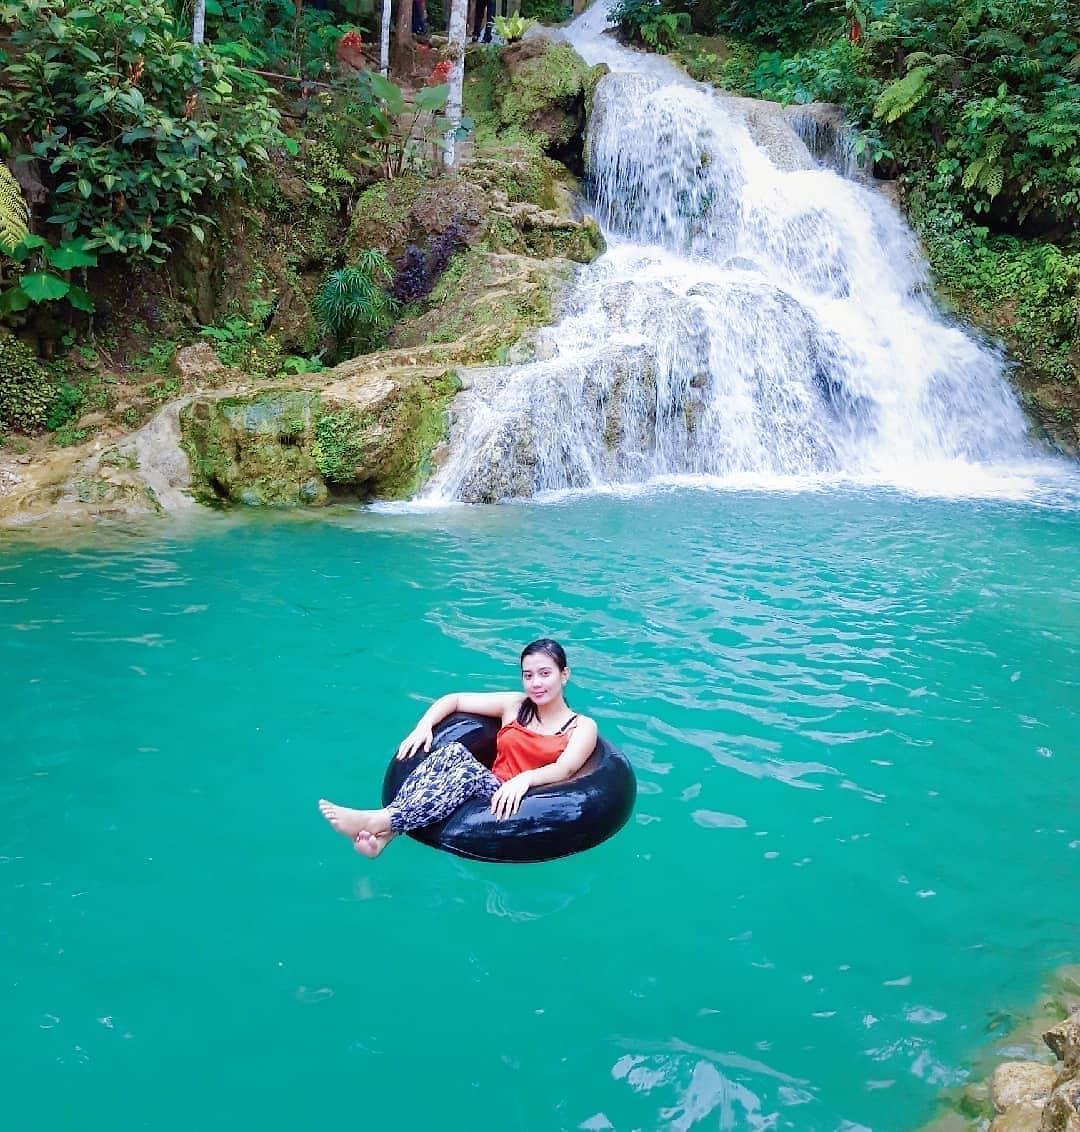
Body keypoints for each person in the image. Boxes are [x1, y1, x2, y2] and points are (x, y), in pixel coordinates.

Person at [319, 639, 598, 858]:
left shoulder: (581, 726)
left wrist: (525, 779)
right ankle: (387, 834)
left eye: (545, 673)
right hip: (491, 789)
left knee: (466, 771)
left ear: (564, 675)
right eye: (528, 675)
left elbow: (566, 768)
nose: (536, 683)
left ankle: (379, 820)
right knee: (453, 752)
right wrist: (424, 725)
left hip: (526, 803)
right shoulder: (515, 705)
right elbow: (454, 700)